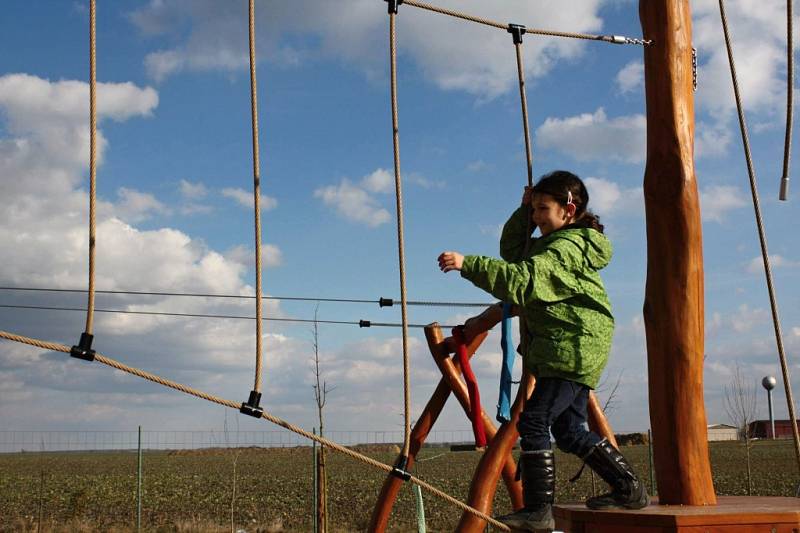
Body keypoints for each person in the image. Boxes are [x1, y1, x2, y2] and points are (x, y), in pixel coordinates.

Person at [438, 170, 648, 532]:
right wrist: (523, 211)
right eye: (533, 209)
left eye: (542, 209)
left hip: (570, 346)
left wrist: (467, 264)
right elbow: (513, 252)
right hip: (573, 345)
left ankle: (538, 510)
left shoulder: (564, 249)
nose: (536, 217)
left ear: (569, 210)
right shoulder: (555, 242)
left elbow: (522, 280)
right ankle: (628, 488)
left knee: (534, 420)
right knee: (568, 430)